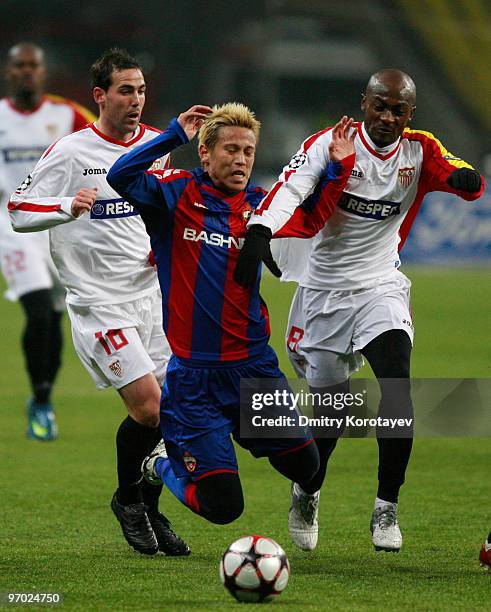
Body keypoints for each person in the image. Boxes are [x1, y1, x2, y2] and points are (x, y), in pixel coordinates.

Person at [234, 69, 485, 552]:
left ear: (410, 113)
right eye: (380, 106)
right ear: (364, 103)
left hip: (380, 285)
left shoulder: (419, 149)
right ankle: (307, 490)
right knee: (331, 416)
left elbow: (461, 174)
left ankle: (386, 507)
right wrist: (261, 229)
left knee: (396, 386)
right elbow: (290, 187)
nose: (387, 117)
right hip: (323, 294)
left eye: (398, 109)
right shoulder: (330, 143)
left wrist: (464, 179)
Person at [106, 103, 356, 526]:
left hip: (252, 371)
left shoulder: (261, 208)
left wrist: (337, 169)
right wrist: (171, 137)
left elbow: (312, 218)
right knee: (224, 508)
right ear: (205, 153)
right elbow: (120, 177)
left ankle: (230, 440)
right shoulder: (175, 194)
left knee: (306, 467)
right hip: (196, 380)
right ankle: (158, 465)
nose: (241, 159)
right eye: (230, 149)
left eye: (248, 151)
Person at [8, 48, 190, 557]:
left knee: (172, 412)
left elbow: (158, 212)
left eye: (141, 90)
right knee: (149, 408)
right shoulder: (70, 152)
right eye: (125, 91)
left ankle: (152, 509)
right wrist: (68, 205)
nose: (136, 100)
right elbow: (18, 211)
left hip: (152, 299)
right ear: (101, 96)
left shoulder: (158, 145)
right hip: (98, 303)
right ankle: (128, 500)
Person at [0, 42, 95, 441]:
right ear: (10, 72)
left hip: (57, 227)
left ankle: (43, 396)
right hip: (13, 228)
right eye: (19, 66)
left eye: (32, 66)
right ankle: (41, 403)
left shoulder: (67, 114)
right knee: (38, 311)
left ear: (42, 72)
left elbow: (101, 142)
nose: (26, 72)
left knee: (54, 319)